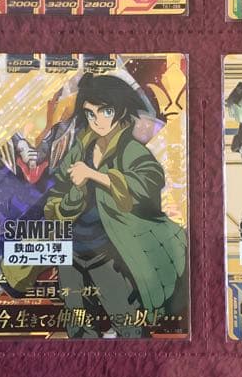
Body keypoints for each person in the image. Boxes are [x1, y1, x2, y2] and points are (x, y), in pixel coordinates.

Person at [44, 73, 187, 338]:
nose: (97, 120)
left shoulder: (129, 149)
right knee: (78, 324)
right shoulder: (81, 147)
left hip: (108, 253)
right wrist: (67, 201)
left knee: (127, 322)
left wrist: (95, 175)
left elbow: (150, 180)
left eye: (105, 112)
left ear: (120, 111)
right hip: (71, 250)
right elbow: (60, 188)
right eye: (90, 113)